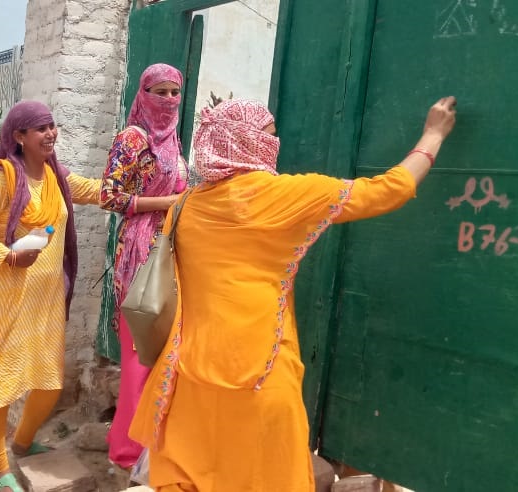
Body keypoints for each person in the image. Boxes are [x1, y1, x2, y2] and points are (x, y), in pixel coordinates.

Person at [129, 97, 458, 491]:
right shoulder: (284, 195)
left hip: (188, 373)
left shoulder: (186, 204)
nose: (275, 144)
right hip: (260, 374)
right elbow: (389, 190)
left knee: (195, 474)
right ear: (248, 143)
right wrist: (433, 134)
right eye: (268, 136)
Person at [0, 100, 101, 492]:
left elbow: (93, 190)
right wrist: (8, 256)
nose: (50, 134)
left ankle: (24, 443)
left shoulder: (56, 175)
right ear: (19, 136)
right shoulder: (5, 177)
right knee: (1, 385)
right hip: (8, 296)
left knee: (49, 382)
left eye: (52, 125)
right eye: (40, 128)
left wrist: (138, 188)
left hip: (46, 300)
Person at [98, 63, 189, 470]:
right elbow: (109, 196)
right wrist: (164, 204)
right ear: (144, 94)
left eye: (174, 92)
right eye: (160, 92)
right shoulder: (132, 138)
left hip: (169, 249)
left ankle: (143, 438)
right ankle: (127, 451)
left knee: (161, 348)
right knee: (138, 348)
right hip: (139, 251)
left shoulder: (173, 140)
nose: (168, 100)